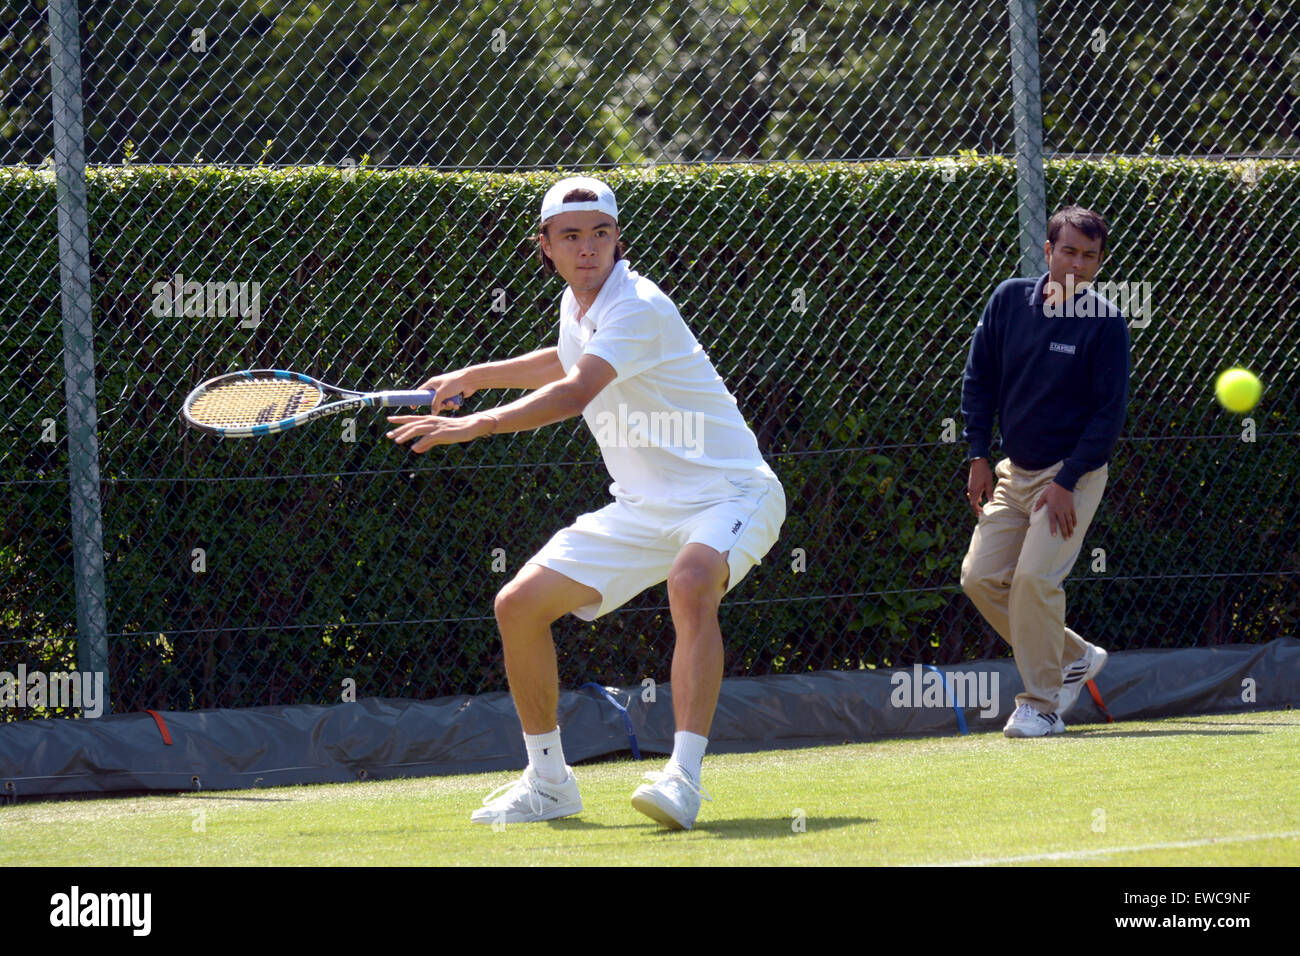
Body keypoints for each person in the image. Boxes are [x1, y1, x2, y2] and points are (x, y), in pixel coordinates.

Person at [385, 176, 786, 827]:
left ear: (618, 239)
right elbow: (567, 359)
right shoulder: (579, 310)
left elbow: (575, 391)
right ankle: (548, 782)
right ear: (545, 246)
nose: (588, 246)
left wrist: (476, 423)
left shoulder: (639, 305)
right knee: (517, 606)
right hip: (640, 509)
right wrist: (474, 377)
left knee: (690, 583)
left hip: (730, 495)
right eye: (571, 236)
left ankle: (683, 778)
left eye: (601, 233)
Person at [959, 205, 1130, 738]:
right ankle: (1075, 655)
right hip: (1014, 469)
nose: (1077, 264)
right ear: (1048, 250)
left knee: (1034, 580)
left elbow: (1108, 417)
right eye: (1069, 251)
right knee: (980, 579)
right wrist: (978, 453)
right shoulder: (1010, 299)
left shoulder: (1107, 323)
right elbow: (979, 378)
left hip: (1074, 474)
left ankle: (1042, 706)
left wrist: (1064, 482)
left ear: (1099, 261)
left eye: (1090, 256)